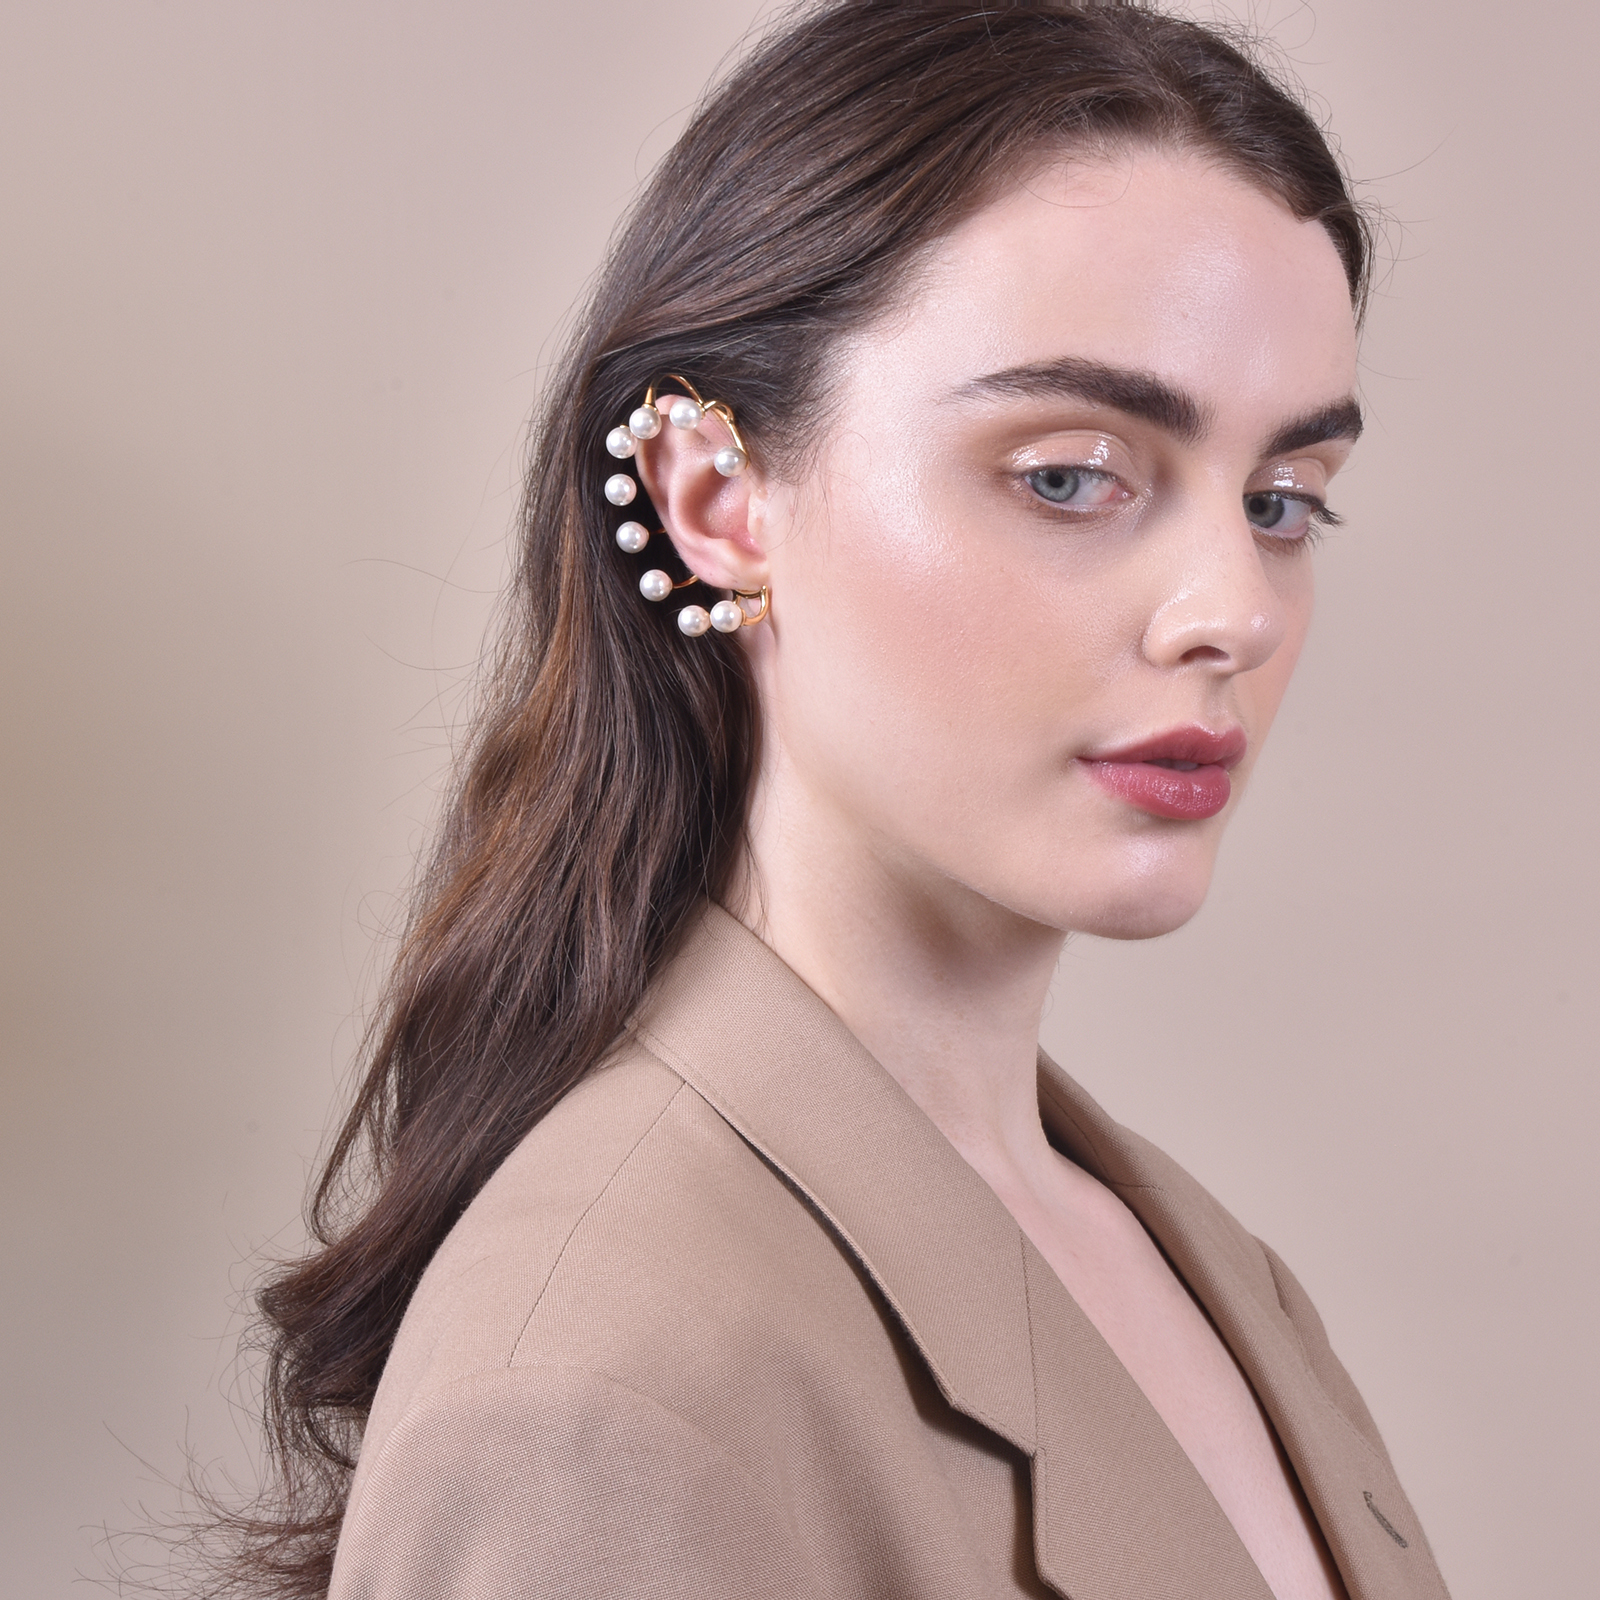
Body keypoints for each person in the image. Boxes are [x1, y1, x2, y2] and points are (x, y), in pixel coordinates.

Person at [208, 4, 1451, 1597]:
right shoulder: (603, 1390)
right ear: (717, 499)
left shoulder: (1205, 1266)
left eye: (1282, 500)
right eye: (1069, 474)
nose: (1233, 611)